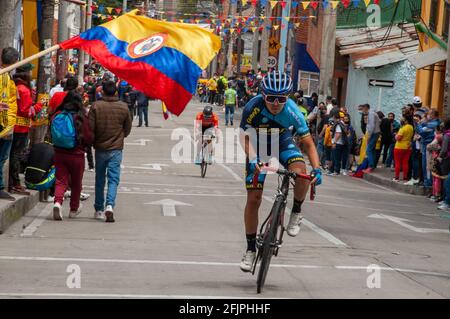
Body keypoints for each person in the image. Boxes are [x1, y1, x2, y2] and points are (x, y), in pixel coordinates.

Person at [238, 71, 322, 272]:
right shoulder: (253, 106)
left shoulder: (293, 111)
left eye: (281, 99)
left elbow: (309, 144)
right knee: (254, 199)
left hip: (282, 142)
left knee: (302, 173)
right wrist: (252, 159)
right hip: (258, 145)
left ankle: (296, 211)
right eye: (271, 98)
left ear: (288, 97)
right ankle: (250, 250)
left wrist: (317, 169)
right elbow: (244, 136)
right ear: (263, 94)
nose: (276, 103)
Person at [89, 80, 132, 222]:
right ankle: (109, 205)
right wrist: (119, 137)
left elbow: (91, 128)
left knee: (100, 179)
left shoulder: (96, 106)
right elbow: (127, 129)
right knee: (113, 179)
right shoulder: (124, 107)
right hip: (116, 148)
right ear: (115, 91)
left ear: (102, 92)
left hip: (100, 148)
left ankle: (99, 209)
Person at [51, 90, 93, 220]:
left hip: (59, 153)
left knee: (60, 180)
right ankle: (73, 209)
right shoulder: (81, 117)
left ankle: (58, 202)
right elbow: (88, 137)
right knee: (76, 183)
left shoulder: (57, 114)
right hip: (77, 154)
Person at [9, 63, 42, 195]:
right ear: (26, 73)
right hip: (21, 127)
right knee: (16, 155)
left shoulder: (16, 85)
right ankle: (15, 183)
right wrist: (39, 106)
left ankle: (13, 182)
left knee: (12, 154)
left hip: (14, 125)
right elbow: (26, 110)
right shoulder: (24, 89)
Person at [0, 47, 19, 201]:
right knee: (1, 158)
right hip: (4, 125)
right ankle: (0, 187)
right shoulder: (4, 77)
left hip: (7, 124)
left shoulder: (7, 77)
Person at [416, 109, 440, 188]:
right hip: (426, 145)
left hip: (428, 146)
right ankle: (427, 182)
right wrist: (423, 122)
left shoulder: (433, 124)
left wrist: (418, 123)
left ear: (433, 115)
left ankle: (428, 183)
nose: (428, 116)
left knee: (427, 165)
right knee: (425, 165)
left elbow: (422, 132)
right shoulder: (430, 123)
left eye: (429, 114)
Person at [393, 116, 414, 183]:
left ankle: (397, 177)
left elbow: (398, 138)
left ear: (406, 120)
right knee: (405, 162)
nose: (401, 120)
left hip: (399, 146)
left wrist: (395, 135)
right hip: (408, 146)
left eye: (402, 119)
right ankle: (405, 177)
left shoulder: (402, 128)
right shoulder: (411, 127)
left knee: (398, 162)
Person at [361, 104, 380, 173]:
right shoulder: (372, 113)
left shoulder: (371, 114)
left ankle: (371, 166)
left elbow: (371, 125)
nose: (362, 111)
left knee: (369, 150)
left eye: (362, 109)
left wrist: (369, 135)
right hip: (375, 133)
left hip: (373, 133)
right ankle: (373, 165)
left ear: (366, 108)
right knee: (372, 150)